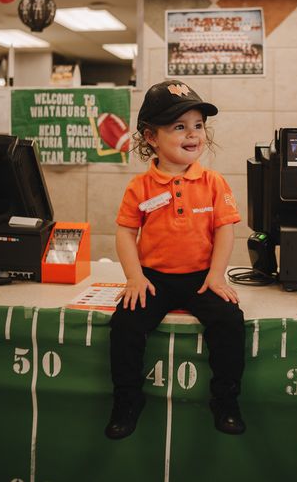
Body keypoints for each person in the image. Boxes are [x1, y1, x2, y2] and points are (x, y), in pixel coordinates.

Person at [106, 80, 246, 440]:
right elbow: (125, 233)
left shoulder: (214, 182)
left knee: (229, 321)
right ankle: (128, 400)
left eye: (198, 125)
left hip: (202, 277)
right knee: (125, 325)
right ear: (151, 137)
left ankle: (226, 400)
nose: (192, 134)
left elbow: (225, 231)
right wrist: (135, 278)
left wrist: (217, 276)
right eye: (179, 127)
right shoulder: (140, 186)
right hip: (154, 278)